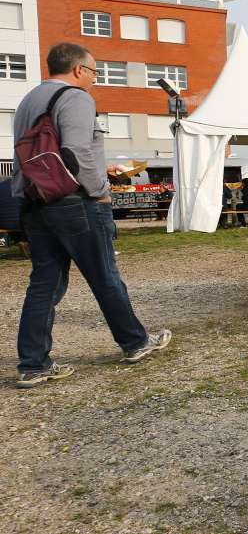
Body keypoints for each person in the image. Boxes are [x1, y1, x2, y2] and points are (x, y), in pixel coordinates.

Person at [10, 42, 171, 388]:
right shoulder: (76, 97)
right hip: (76, 201)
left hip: (36, 203)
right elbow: (77, 150)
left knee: (44, 285)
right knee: (105, 276)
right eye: (96, 72)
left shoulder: (28, 101)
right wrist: (99, 189)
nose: (95, 79)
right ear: (79, 69)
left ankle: (32, 363)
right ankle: (135, 343)